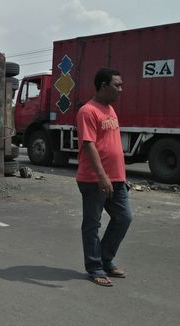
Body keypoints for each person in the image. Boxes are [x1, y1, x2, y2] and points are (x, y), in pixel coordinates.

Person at [75, 68, 132, 287]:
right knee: (92, 224)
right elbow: (89, 145)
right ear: (103, 86)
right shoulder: (88, 111)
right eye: (117, 85)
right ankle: (95, 267)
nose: (121, 89)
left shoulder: (110, 109)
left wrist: (120, 176)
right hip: (93, 179)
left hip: (116, 179)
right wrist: (102, 176)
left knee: (124, 218)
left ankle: (105, 259)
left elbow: (113, 146)